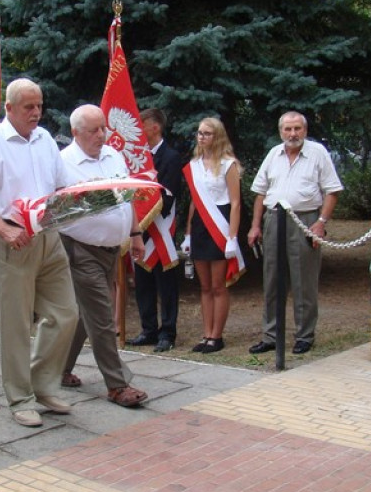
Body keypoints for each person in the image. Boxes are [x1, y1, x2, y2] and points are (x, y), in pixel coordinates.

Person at [0, 78, 78, 428]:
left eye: (40, 105)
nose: (36, 112)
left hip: (48, 235)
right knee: (14, 325)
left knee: (66, 314)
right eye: (28, 107)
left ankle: (43, 385)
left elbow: (61, 185)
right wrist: (1, 229)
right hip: (12, 239)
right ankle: (19, 397)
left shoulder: (45, 139)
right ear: (9, 109)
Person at [59, 104, 149, 406]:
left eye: (103, 128)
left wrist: (135, 233)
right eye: (93, 130)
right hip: (80, 249)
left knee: (87, 317)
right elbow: (56, 211)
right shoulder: (63, 163)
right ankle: (117, 385)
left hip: (111, 249)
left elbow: (127, 197)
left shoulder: (114, 155)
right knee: (102, 316)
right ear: (76, 133)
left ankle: (58, 367)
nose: (101, 135)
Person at [247, 110, 343, 355]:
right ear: (281, 132)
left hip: (305, 219)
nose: (292, 134)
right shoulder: (273, 154)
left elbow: (332, 191)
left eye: (297, 128)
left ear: (305, 130)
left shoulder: (317, 153)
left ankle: (304, 335)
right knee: (271, 279)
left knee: (304, 281)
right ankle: (270, 334)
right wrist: (256, 225)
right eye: (288, 129)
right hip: (274, 219)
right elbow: (260, 192)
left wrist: (321, 222)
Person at [181, 116, 242, 353]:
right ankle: (206, 333)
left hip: (221, 225)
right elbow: (194, 203)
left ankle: (217, 336)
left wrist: (232, 237)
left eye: (207, 133)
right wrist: (187, 233)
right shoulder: (194, 165)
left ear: (217, 137)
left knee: (218, 285)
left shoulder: (228, 164)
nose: (201, 137)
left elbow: (236, 203)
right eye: (199, 133)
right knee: (204, 286)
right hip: (200, 227)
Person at [127, 107, 183, 354]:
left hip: (160, 228)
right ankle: (148, 329)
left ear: (155, 127)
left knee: (166, 283)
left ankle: (167, 332)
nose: (139, 130)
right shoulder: (138, 157)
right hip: (140, 228)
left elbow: (168, 193)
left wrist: (146, 215)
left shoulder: (170, 157)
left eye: (143, 125)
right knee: (143, 282)